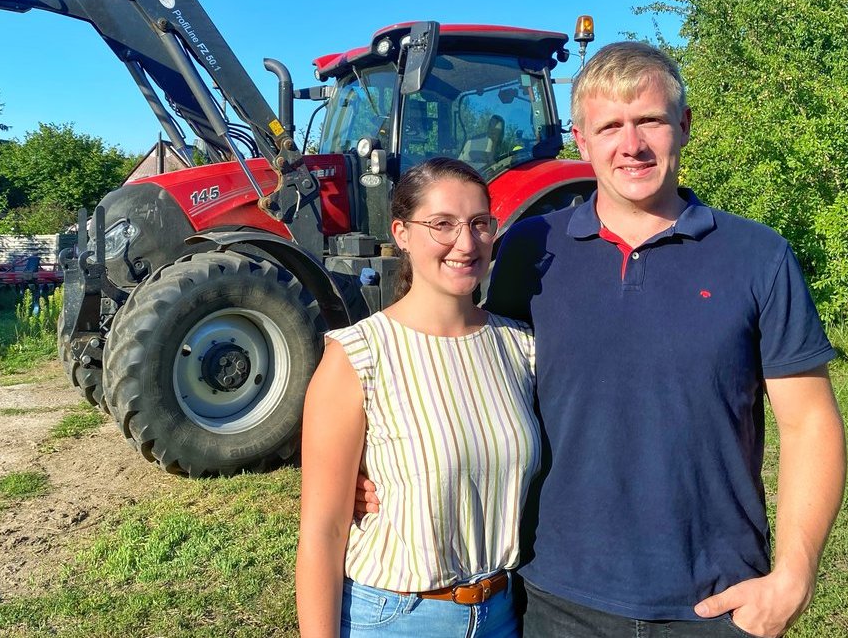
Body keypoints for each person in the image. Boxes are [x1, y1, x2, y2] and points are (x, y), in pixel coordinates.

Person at [358, 41, 845, 637]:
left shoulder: (757, 256)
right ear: (582, 140)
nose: (631, 144)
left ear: (684, 126)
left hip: (717, 601)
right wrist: (371, 462)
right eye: (610, 125)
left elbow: (810, 422)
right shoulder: (530, 250)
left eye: (650, 121)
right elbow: (461, 356)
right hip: (556, 596)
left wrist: (794, 575)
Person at [297, 158, 540, 637]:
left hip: (502, 612)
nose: (465, 243)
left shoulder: (520, 346)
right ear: (402, 233)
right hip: (397, 617)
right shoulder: (360, 355)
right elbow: (322, 534)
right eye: (442, 224)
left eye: (479, 224)